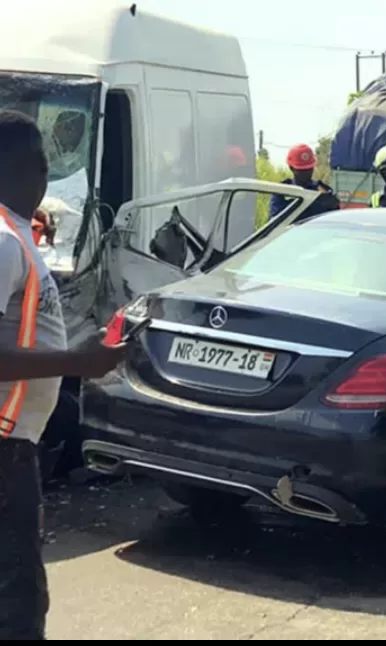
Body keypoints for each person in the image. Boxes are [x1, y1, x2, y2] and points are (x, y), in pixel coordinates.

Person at [0, 110, 127, 640]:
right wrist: (77, 361)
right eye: (46, 164)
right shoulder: (4, 242)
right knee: (18, 603)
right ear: (31, 168)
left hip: (14, 447)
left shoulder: (13, 234)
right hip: (3, 450)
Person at [269, 144, 340, 221]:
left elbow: (334, 222)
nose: (306, 173)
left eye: (309, 169)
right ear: (291, 168)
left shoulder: (323, 192)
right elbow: (275, 223)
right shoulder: (282, 192)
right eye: (301, 170)